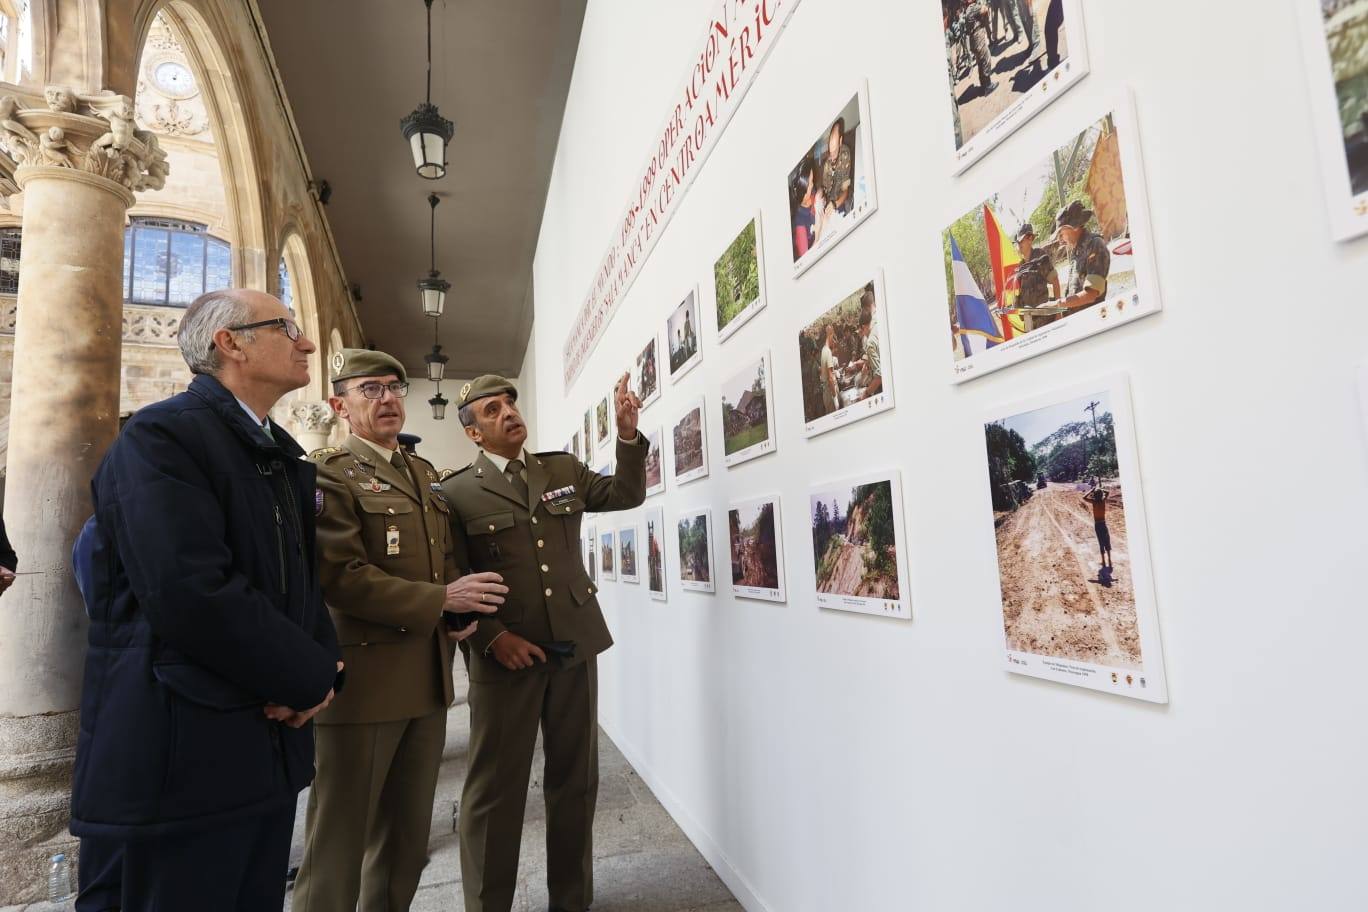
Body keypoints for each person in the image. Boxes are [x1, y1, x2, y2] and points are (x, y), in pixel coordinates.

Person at [69, 289, 344, 911]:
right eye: (286, 327)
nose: (304, 342)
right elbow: (191, 591)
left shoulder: (271, 451)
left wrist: (323, 672)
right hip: (180, 763)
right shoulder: (162, 438)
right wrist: (305, 675)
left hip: (257, 752)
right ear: (230, 343)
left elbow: (297, 583)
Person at [292, 349, 506, 912]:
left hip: (427, 680)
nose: (387, 398)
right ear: (340, 404)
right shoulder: (328, 473)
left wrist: (457, 611)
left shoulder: (420, 472)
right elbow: (341, 577)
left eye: (393, 388)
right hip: (366, 684)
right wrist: (442, 599)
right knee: (339, 844)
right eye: (370, 389)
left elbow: (439, 558)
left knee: (406, 841)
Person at [442, 373, 645, 912]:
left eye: (509, 401)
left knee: (575, 781)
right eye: (491, 410)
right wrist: (493, 638)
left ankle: (571, 901)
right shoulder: (455, 493)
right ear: (474, 434)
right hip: (505, 659)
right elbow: (452, 577)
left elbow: (624, 493)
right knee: (495, 794)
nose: (508, 411)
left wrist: (627, 437)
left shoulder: (559, 469)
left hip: (573, 645)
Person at [1052, 200, 1110, 311]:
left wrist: (1057, 304)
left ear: (1075, 227)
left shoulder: (1095, 245)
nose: (1060, 238)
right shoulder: (1076, 251)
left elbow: (1091, 294)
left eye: (1061, 233)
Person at [1012, 222, 1061, 309]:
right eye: (1017, 242)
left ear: (1030, 239)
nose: (1019, 244)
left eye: (1021, 241)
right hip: (1029, 318)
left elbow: (1055, 281)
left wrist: (1059, 311)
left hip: (1044, 315)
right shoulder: (1021, 265)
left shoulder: (1039, 256)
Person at [820, 117, 854, 216]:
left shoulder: (845, 155)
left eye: (834, 151)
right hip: (830, 201)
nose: (832, 157)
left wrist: (835, 204)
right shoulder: (827, 163)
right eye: (830, 152)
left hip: (840, 199)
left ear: (840, 141)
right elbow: (825, 188)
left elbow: (845, 189)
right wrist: (822, 199)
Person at [1082, 483, 1113, 570]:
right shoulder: (1103, 501)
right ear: (1101, 495)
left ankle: (1103, 561)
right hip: (1103, 523)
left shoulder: (1094, 502)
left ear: (1095, 495)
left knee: (1101, 542)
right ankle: (1110, 560)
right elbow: (1108, 492)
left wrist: (1092, 490)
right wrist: (1100, 490)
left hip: (1097, 524)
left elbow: (1084, 498)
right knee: (1107, 540)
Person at [820, 323, 840, 414]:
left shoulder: (823, 350)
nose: (834, 341)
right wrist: (835, 398)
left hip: (827, 392)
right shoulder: (828, 352)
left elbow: (826, 372)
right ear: (830, 335)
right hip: (830, 393)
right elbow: (830, 378)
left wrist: (834, 372)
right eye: (833, 336)